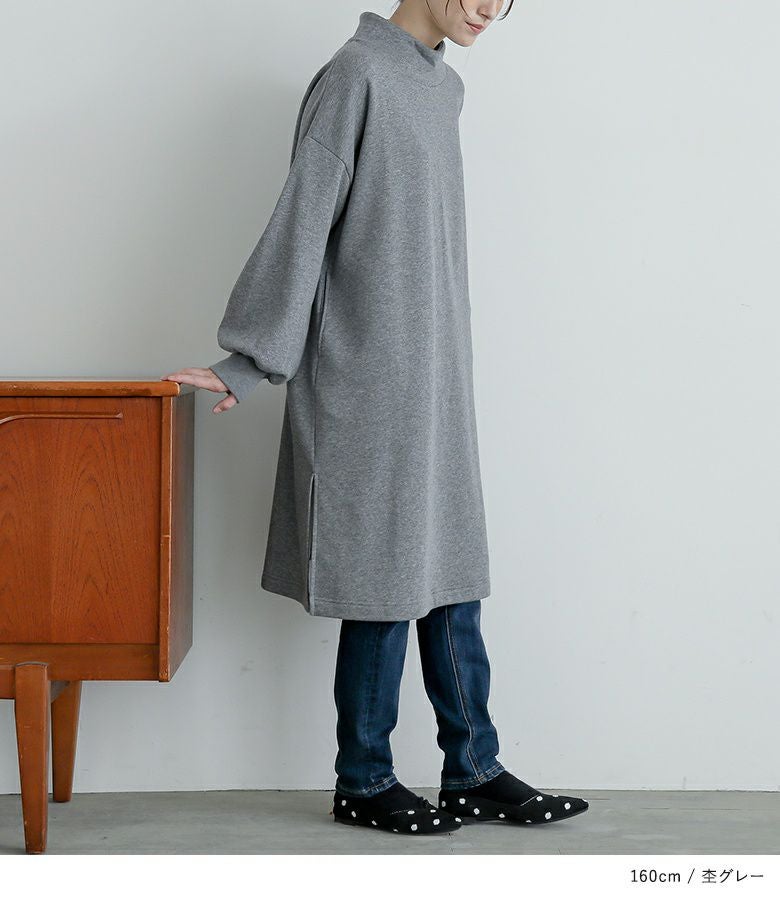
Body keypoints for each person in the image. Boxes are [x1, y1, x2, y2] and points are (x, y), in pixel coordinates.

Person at [162, 1, 589, 837]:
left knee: (452, 574)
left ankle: (474, 769)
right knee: (383, 583)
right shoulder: (356, 76)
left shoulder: (443, 89)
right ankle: (363, 779)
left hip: (435, 376)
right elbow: (303, 220)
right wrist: (249, 358)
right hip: (366, 378)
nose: (489, 9)